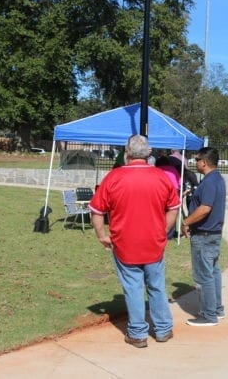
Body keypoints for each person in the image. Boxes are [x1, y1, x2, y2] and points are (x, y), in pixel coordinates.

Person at [89, 135, 181, 348]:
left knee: (133, 287)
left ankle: (138, 333)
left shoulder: (114, 177)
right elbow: (173, 208)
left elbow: (97, 210)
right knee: (156, 286)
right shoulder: (160, 177)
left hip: (125, 243)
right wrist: (164, 230)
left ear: (126, 152)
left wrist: (102, 235)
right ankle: (163, 329)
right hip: (154, 243)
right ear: (149, 153)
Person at [181, 147, 227, 326]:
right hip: (213, 234)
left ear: (204, 162)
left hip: (205, 235)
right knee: (213, 272)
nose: (195, 162)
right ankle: (216, 309)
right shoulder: (217, 179)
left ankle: (209, 315)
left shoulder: (208, 182)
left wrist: (186, 222)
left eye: (197, 159)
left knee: (204, 276)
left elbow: (205, 208)